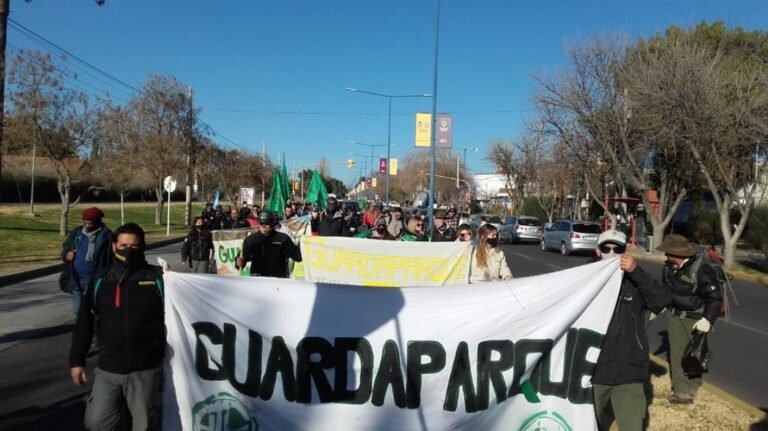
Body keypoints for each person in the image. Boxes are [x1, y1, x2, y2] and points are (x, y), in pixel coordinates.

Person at [69, 223, 165, 431]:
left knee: (143, 426)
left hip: (145, 370)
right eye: (123, 245)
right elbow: (85, 322)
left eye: (134, 246)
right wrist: (77, 359)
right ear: (114, 246)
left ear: (143, 247)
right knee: (96, 423)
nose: (128, 250)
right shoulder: (101, 280)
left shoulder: (158, 279)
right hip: (108, 369)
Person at [591, 230, 672, 431]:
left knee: (633, 426)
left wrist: (636, 272)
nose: (611, 252)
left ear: (625, 252)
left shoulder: (635, 281)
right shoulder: (585, 280)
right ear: (597, 251)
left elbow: (662, 300)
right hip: (593, 371)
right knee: (587, 425)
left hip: (629, 371)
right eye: (606, 248)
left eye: (617, 248)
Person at [656, 234, 723, 404]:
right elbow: (666, 289)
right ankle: (684, 389)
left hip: (696, 319)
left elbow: (714, 297)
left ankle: (685, 391)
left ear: (676, 253)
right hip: (676, 316)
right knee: (680, 353)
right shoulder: (669, 268)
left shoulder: (701, 269)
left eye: (667, 252)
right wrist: (659, 305)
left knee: (693, 354)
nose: (665, 255)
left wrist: (707, 320)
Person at [60, 207, 114, 315]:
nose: (88, 226)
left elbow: (112, 257)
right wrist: (66, 254)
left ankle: (93, 328)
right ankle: (86, 326)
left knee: (94, 309)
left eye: (91, 223)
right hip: (76, 278)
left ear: (98, 221)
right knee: (77, 310)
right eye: (85, 223)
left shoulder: (107, 236)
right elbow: (66, 246)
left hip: (95, 279)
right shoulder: (77, 233)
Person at [237, 211, 302, 278]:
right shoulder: (250, 240)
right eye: (261, 223)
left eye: (266, 223)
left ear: (272, 223)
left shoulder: (283, 239)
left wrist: (302, 245)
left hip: (278, 280)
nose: (263, 225)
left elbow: (298, 257)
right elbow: (242, 259)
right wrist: (239, 262)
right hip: (257, 279)